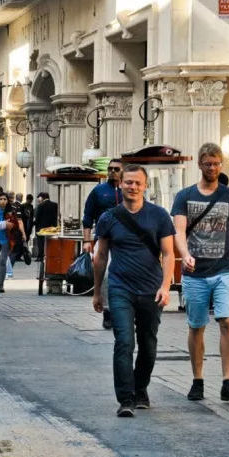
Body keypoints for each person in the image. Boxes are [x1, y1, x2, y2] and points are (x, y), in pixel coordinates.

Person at [92, 164, 175, 418]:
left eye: (138, 183)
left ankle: (141, 388)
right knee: (124, 342)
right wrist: (97, 292)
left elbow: (169, 253)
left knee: (148, 345)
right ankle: (126, 398)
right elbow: (101, 256)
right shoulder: (109, 218)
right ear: (121, 183)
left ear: (145, 186)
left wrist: (165, 286)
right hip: (120, 288)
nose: (133, 187)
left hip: (151, 289)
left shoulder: (159, 215)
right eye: (128, 182)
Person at [172, 143, 229, 404]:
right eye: (208, 164)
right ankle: (198, 380)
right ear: (200, 165)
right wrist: (185, 254)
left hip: (223, 269)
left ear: (221, 165)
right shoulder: (184, 196)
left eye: (216, 164)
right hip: (195, 273)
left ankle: (228, 382)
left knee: (228, 321)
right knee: (197, 326)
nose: (212, 168)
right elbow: (179, 231)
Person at [84, 159, 124, 330]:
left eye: (116, 169)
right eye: (110, 169)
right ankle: (107, 311)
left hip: (125, 240)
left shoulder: (129, 190)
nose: (112, 171)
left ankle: (125, 311)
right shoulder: (99, 191)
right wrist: (87, 241)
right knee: (107, 274)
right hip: (104, 239)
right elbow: (87, 216)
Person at [32, 192, 59, 261]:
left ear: (42, 197)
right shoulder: (55, 205)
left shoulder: (40, 205)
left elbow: (37, 217)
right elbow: (57, 215)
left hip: (41, 228)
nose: (38, 199)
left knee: (40, 243)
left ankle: (40, 257)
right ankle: (50, 255)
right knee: (50, 242)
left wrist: (33, 223)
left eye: (39, 197)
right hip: (52, 228)